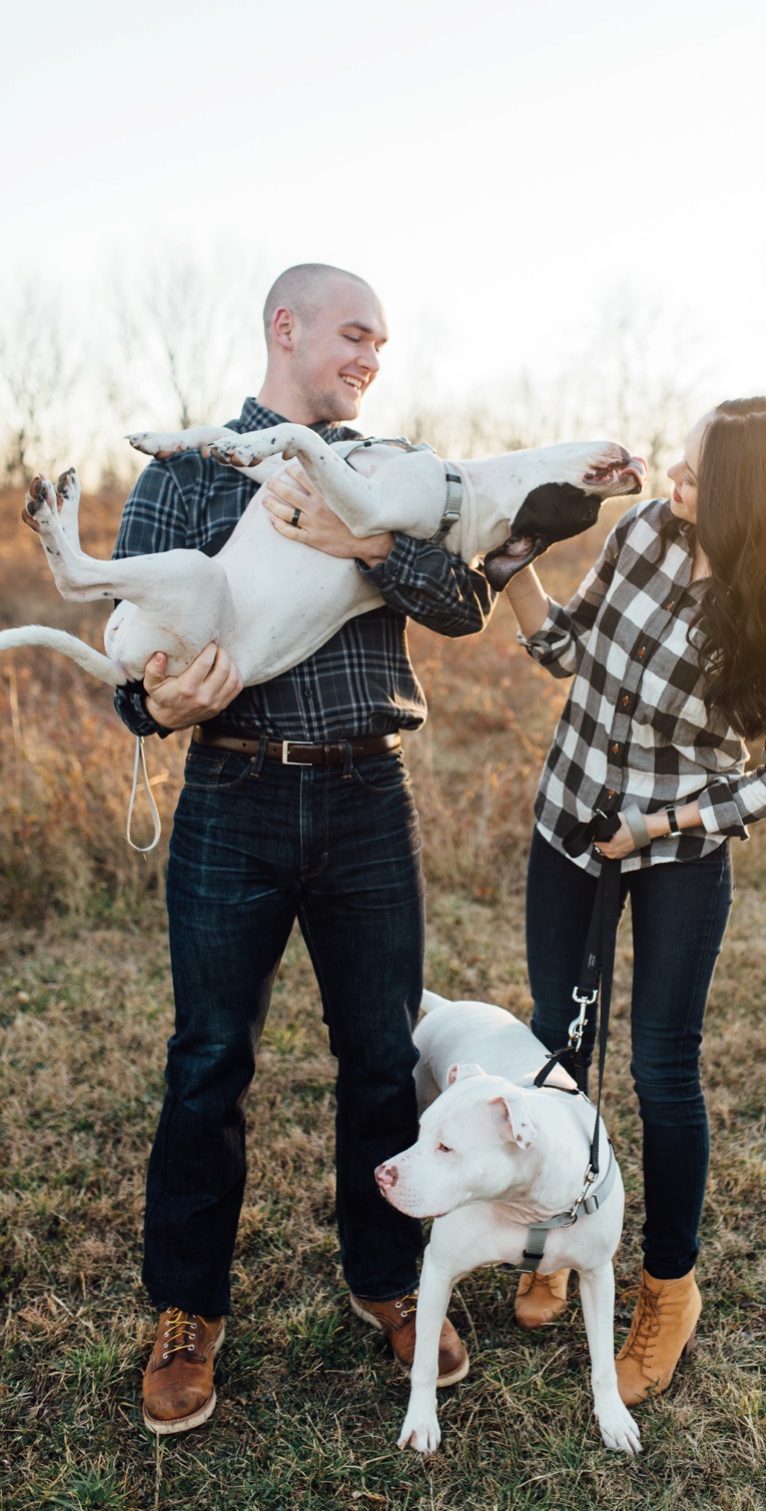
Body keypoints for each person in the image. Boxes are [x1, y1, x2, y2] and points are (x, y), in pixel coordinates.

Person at [124, 263, 493, 1434]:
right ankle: (187, 1312)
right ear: (284, 329)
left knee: (382, 1060)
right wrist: (160, 711)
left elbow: (464, 602)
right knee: (207, 1061)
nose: (370, 359)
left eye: (381, 344)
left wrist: (364, 539)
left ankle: (388, 1280)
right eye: (352, 335)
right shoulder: (182, 474)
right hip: (229, 798)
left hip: (366, 804)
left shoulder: (385, 466)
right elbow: (128, 669)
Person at [500, 395, 766, 1405]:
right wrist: (512, 567)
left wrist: (661, 826)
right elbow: (569, 650)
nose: (671, 483)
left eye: (695, 474)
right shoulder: (646, 532)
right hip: (569, 819)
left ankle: (667, 1286)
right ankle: (558, 1234)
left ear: (746, 501)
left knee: (660, 1068)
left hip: (676, 854)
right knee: (560, 1046)